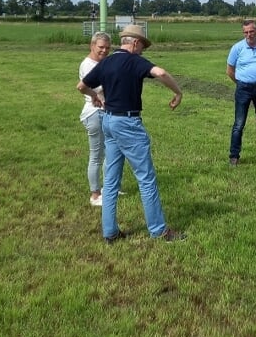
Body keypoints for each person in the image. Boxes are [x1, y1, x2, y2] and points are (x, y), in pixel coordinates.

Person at [78, 23, 187, 242]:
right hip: (128, 123)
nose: (142, 52)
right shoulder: (135, 61)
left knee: (110, 181)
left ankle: (109, 232)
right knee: (146, 178)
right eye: (142, 47)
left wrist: (94, 96)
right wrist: (178, 92)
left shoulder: (106, 62)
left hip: (108, 122)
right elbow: (161, 72)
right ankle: (158, 230)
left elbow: (81, 86)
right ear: (135, 43)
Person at [226, 19, 256, 165]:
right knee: (239, 124)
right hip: (243, 89)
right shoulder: (237, 48)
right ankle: (234, 156)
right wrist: (240, 82)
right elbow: (229, 70)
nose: (249, 34)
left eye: (251, 31)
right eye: (246, 32)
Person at [78, 32, 111, 206]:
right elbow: (93, 88)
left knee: (109, 153)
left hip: (105, 112)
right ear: (92, 46)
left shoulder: (103, 63)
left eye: (107, 48)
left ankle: (108, 188)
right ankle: (95, 194)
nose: (104, 51)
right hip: (94, 113)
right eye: (101, 47)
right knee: (96, 155)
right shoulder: (88, 65)